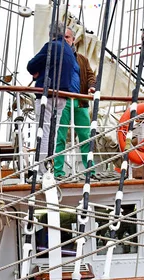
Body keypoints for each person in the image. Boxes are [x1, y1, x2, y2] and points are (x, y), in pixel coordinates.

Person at [27, 22, 76, 176]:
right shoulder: (69, 50)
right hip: (62, 97)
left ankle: (41, 171)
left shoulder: (52, 46)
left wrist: (37, 72)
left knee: (44, 132)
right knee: (52, 134)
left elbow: (31, 65)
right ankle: (49, 167)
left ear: (51, 34)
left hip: (47, 97)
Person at [54, 27, 96, 180]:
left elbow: (91, 75)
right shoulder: (54, 57)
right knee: (60, 136)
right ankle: (58, 172)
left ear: (72, 40)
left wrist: (92, 86)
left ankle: (89, 171)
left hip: (80, 101)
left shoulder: (82, 59)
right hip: (62, 101)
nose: (65, 40)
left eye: (67, 37)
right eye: (62, 37)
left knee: (85, 136)